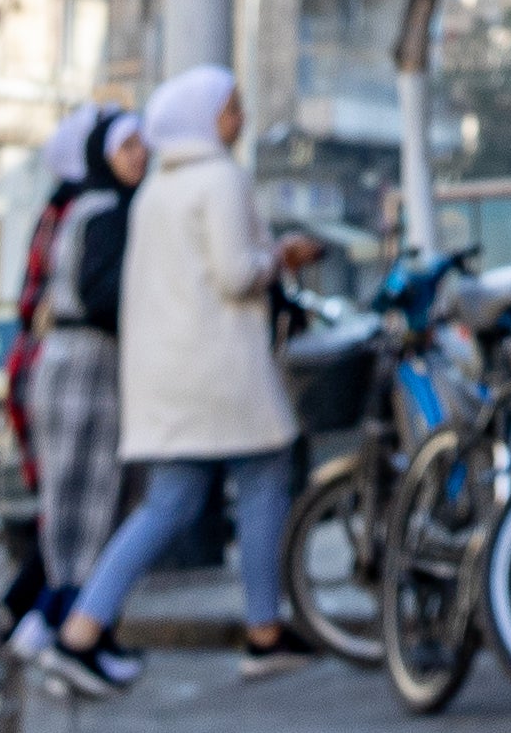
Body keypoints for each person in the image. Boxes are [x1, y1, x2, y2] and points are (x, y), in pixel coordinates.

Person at [43, 65, 322, 692]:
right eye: (230, 108)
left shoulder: (156, 190)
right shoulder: (219, 179)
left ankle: (80, 632)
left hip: (166, 375)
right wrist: (283, 257)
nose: (239, 118)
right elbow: (233, 274)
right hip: (218, 370)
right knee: (265, 474)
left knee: (169, 502)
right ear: (204, 118)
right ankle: (263, 631)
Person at [0, 108, 144, 675]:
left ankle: (45, 623)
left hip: (58, 362)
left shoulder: (77, 208)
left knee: (67, 503)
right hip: (87, 362)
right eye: (128, 146)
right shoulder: (107, 210)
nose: (141, 156)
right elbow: (101, 293)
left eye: (142, 145)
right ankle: (75, 634)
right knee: (90, 499)